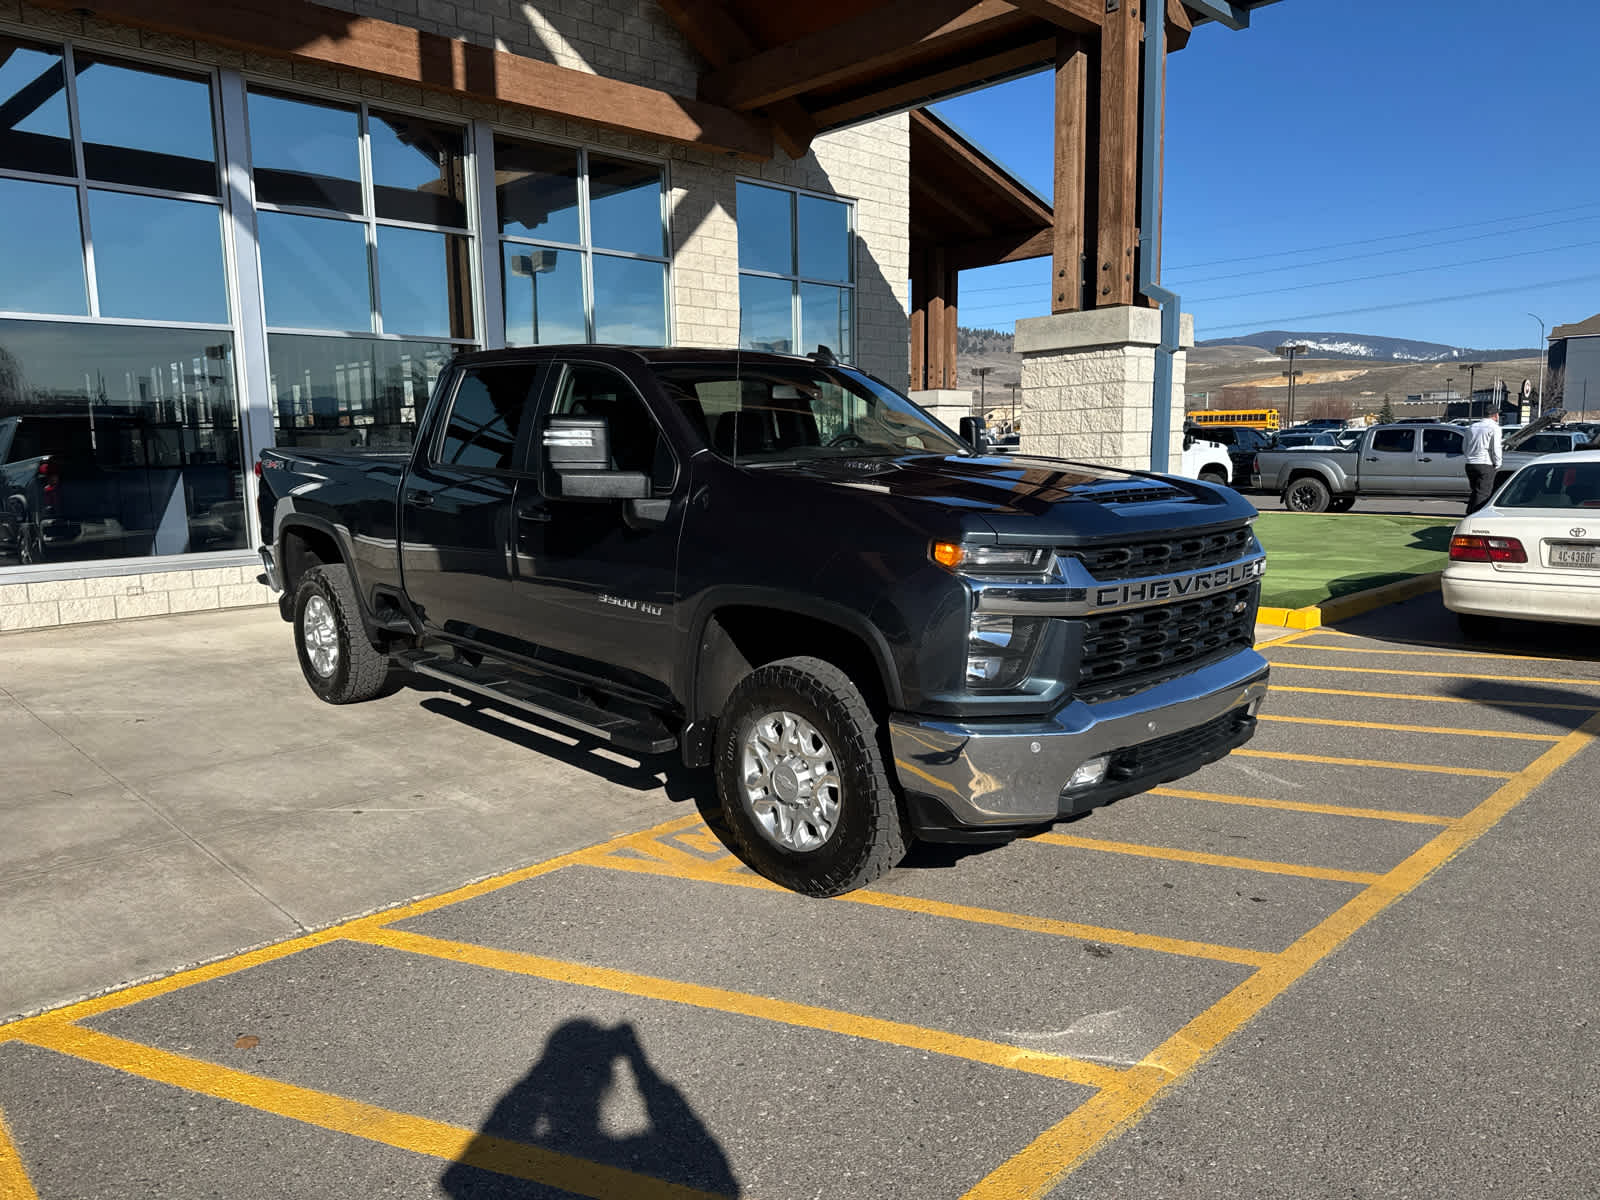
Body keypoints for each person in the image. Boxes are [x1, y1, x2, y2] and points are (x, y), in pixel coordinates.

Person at [1463, 413, 1503, 514]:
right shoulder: (1494, 427)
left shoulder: (1471, 427)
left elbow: (1464, 446)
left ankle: (1469, 513)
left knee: (1475, 491)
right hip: (1485, 463)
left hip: (1470, 464)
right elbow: (1496, 447)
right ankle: (1476, 516)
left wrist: (1469, 457)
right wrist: (1498, 463)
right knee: (1483, 493)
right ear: (1495, 415)